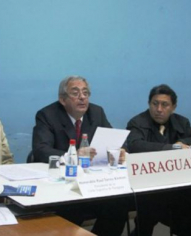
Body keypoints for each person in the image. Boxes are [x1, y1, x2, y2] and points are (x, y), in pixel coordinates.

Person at [32, 75, 127, 236]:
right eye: (75, 93)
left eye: (85, 93)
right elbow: (40, 150)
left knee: (119, 206)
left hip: (93, 183)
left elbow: (114, 138)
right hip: (63, 186)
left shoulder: (96, 112)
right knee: (73, 210)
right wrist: (73, 155)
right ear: (63, 99)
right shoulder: (47, 115)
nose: (82, 97)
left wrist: (118, 151)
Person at [126, 84, 191, 236]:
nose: (159, 109)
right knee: (153, 204)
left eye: (165, 105)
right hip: (147, 183)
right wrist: (172, 148)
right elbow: (135, 145)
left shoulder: (181, 122)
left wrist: (184, 144)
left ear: (173, 107)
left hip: (177, 181)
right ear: (149, 104)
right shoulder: (137, 122)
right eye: (155, 103)